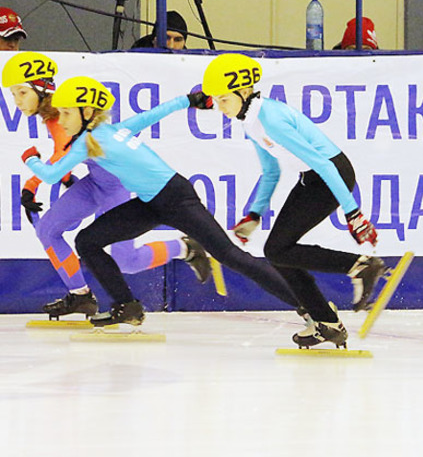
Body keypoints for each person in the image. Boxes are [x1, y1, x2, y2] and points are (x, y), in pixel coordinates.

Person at [21, 75, 300, 327]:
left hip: (176, 199)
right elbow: (151, 115)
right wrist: (186, 101)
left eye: (67, 113)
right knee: (87, 241)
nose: (62, 119)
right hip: (150, 202)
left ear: (88, 112)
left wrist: (30, 158)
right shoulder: (110, 131)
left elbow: (53, 173)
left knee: (230, 256)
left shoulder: (89, 141)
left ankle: (308, 305)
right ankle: (126, 306)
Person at [2, 52, 212, 319]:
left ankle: (186, 248)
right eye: (13, 95)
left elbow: (60, 158)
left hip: (114, 188)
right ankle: (80, 296)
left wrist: (32, 183)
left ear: (42, 89)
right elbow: (66, 156)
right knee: (48, 229)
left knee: (128, 261)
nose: (17, 102)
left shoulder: (60, 114)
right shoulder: (55, 112)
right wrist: (64, 179)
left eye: (21, 93)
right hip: (94, 183)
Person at [201, 53, 386, 348]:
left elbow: (325, 165)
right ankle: (326, 322)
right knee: (278, 250)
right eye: (215, 101)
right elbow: (271, 170)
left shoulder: (269, 118)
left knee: (277, 248)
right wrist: (254, 214)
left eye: (223, 100)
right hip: (312, 177)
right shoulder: (250, 121)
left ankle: (361, 267)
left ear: (244, 92)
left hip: (330, 173)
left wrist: (354, 214)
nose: (220, 108)